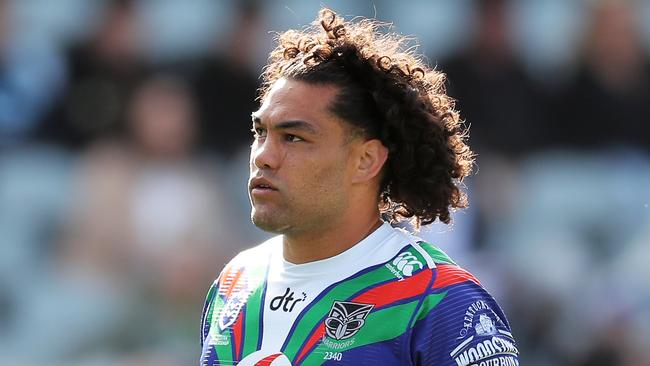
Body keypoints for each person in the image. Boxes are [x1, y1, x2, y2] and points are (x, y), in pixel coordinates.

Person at [200, 8, 519, 366]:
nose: (263, 156)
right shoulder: (234, 283)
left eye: (293, 137)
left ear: (366, 160)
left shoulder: (440, 299)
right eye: (261, 133)